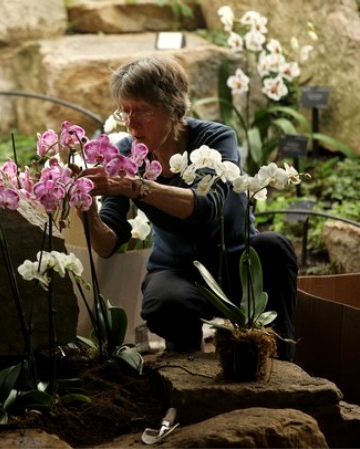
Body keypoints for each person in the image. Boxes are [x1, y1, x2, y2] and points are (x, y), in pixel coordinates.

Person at [79, 55, 298, 360]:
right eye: (125, 110)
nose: (131, 122)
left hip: (234, 261)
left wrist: (137, 187)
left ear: (172, 108)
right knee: (166, 302)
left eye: (142, 110)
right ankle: (185, 374)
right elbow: (108, 242)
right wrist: (85, 205)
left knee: (274, 247)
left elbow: (207, 207)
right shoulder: (127, 153)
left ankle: (281, 362)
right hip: (177, 270)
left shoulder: (215, 138)